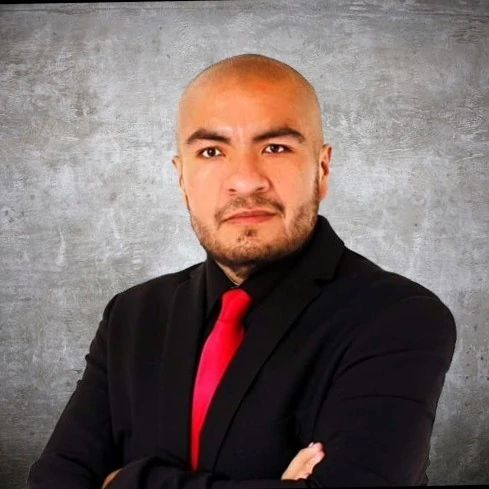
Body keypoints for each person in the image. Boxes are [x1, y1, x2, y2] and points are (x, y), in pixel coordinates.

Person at [27, 53, 456, 488]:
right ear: (182, 179)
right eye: (212, 151)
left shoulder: (398, 318)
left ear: (322, 170)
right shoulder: (132, 315)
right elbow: (54, 481)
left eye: (275, 148)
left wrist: (126, 482)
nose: (246, 180)